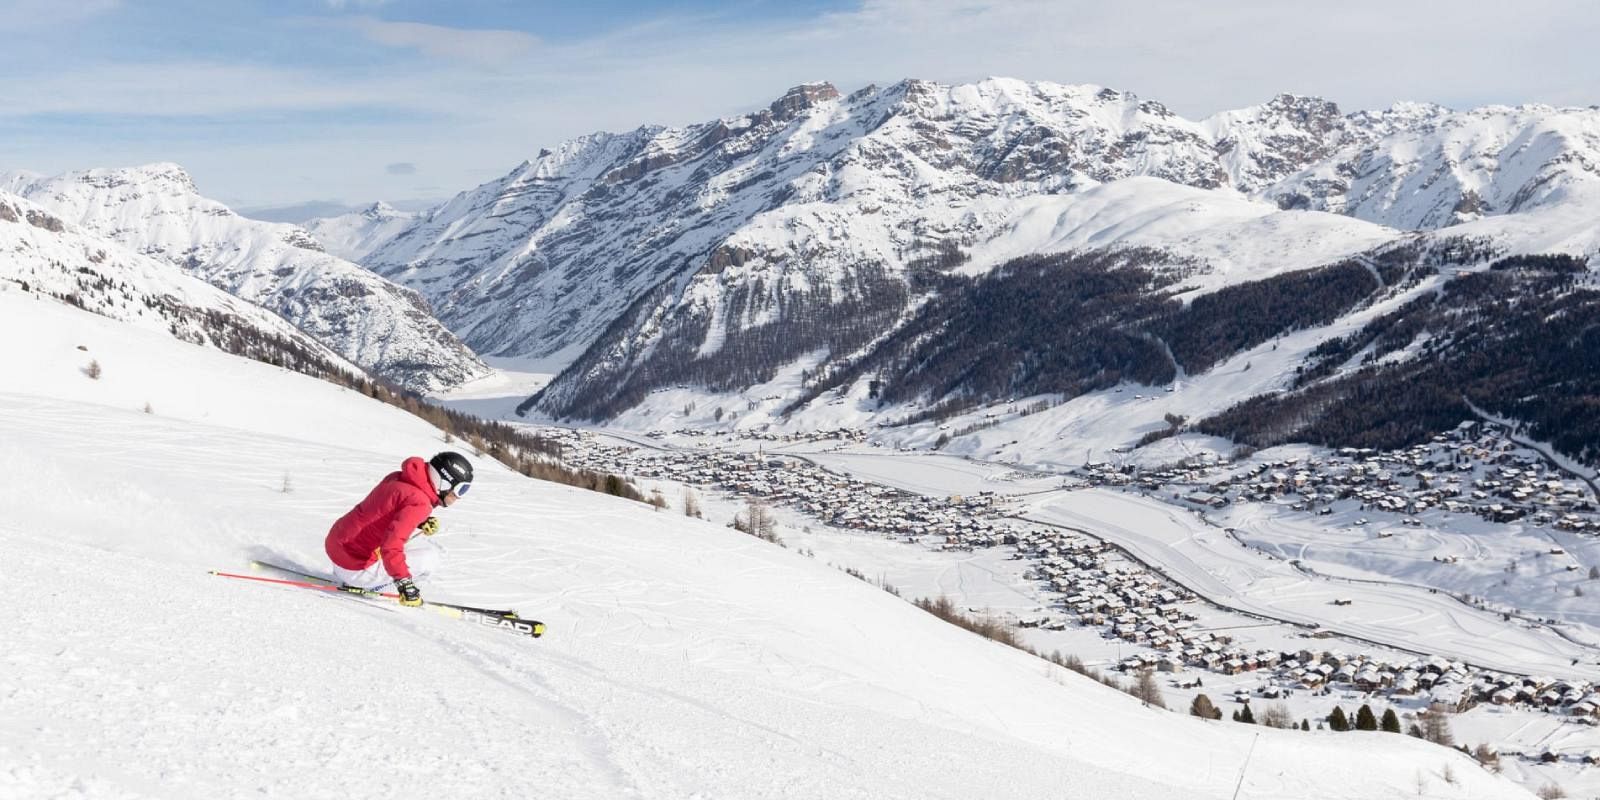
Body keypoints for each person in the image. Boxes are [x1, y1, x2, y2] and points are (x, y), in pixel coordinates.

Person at [324, 451, 473, 606]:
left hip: (338, 549)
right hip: (356, 568)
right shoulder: (420, 503)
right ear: (444, 482)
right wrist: (404, 582)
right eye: (460, 490)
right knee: (431, 558)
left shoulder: (399, 478)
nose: (458, 497)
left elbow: (383, 512)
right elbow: (391, 546)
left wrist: (420, 522)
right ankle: (382, 590)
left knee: (415, 544)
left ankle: (369, 580)